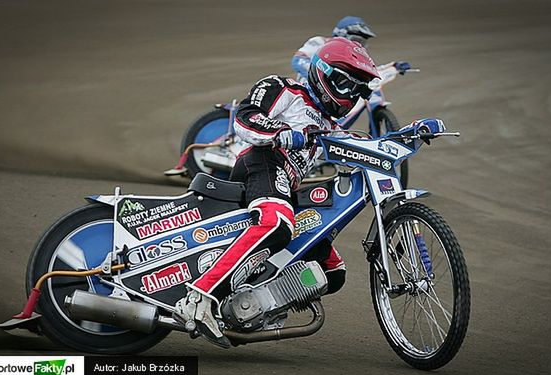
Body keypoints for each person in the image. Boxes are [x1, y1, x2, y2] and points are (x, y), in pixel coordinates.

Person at [175, 37, 380, 348]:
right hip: (262, 163)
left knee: (332, 271)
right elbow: (245, 117)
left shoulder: (330, 127)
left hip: (288, 186)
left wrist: (409, 136)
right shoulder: (284, 88)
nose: (348, 96)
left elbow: (359, 147)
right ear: (321, 72)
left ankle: (258, 306)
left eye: (357, 90)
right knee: (277, 223)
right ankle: (199, 296)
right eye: (343, 84)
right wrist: (282, 134)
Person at [292, 16, 410, 84]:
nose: (358, 45)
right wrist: (328, 74)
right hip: (308, 92)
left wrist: (393, 66)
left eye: (362, 42)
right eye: (356, 40)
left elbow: (369, 73)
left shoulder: (352, 58)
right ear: (342, 34)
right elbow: (298, 60)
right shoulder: (320, 42)